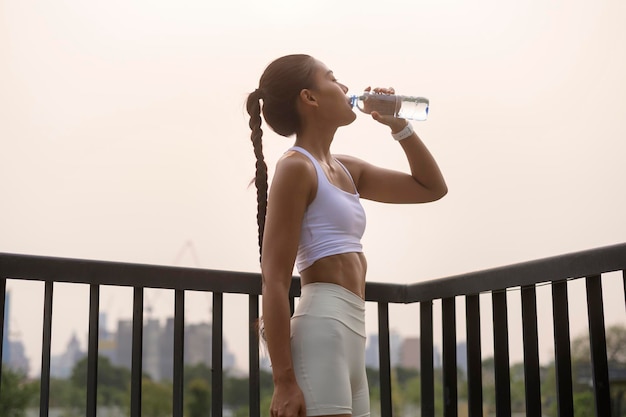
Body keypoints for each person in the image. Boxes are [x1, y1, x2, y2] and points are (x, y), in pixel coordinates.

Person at [246, 54, 447, 417]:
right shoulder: (295, 168)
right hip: (322, 326)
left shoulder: (345, 168)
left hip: (354, 329)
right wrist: (284, 380)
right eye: (333, 79)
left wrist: (398, 125)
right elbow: (274, 279)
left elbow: (431, 187)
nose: (344, 87)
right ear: (310, 98)